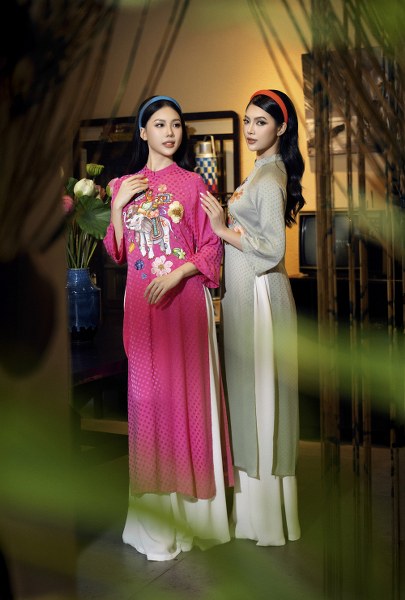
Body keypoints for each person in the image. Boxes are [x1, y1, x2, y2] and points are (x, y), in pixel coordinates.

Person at [103, 95, 234, 561]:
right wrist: (117, 206)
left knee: (187, 398)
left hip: (184, 303)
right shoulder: (123, 185)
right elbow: (116, 252)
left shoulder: (194, 183)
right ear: (143, 132)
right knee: (146, 401)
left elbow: (212, 248)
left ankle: (194, 517)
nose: (170, 132)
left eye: (176, 124)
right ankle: (155, 523)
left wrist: (178, 274)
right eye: (159, 124)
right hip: (142, 305)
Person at [201, 89, 305, 546]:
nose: (249, 129)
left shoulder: (269, 178)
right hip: (249, 294)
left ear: (281, 127)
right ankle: (259, 516)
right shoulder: (261, 170)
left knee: (260, 394)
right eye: (247, 120)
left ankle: (264, 521)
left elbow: (273, 249)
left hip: (261, 294)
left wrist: (222, 228)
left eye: (260, 122)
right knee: (251, 393)